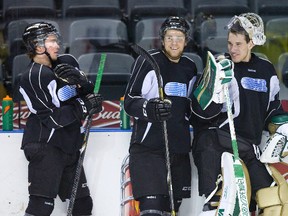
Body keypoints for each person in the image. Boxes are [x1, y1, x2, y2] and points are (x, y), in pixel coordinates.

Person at [191, 13, 288, 215]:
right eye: (229, 43)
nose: (232, 49)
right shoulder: (220, 66)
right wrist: (214, 92)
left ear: (252, 43)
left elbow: (273, 110)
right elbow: (198, 114)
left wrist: (282, 127)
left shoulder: (266, 70)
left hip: (248, 148)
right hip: (217, 143)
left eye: (238, 44)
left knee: (275, 200)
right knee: (219, 204)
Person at [19, 22, 103, 216]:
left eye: (56, 40)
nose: (57, 46)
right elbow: (53, 119)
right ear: (38, 46)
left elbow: (89, 95)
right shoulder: (34, 76)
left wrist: (83, 83)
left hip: (69, 144)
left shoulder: (67, 62)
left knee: (82, 205)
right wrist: (84, 105)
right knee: (42, 206)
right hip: (45, 145)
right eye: (51, 42)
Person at [124, 16, 198, 215]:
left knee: (172, 211)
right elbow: (130, 102)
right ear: (162, 39)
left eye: (179, 37)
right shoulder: (148, 61)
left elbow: (190, 108)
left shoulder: (190, 67)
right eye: (170, 37)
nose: (174, 42)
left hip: (178, 150)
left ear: (186, 40)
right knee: (152, 211)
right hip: (149, 150)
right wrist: (150, 108)